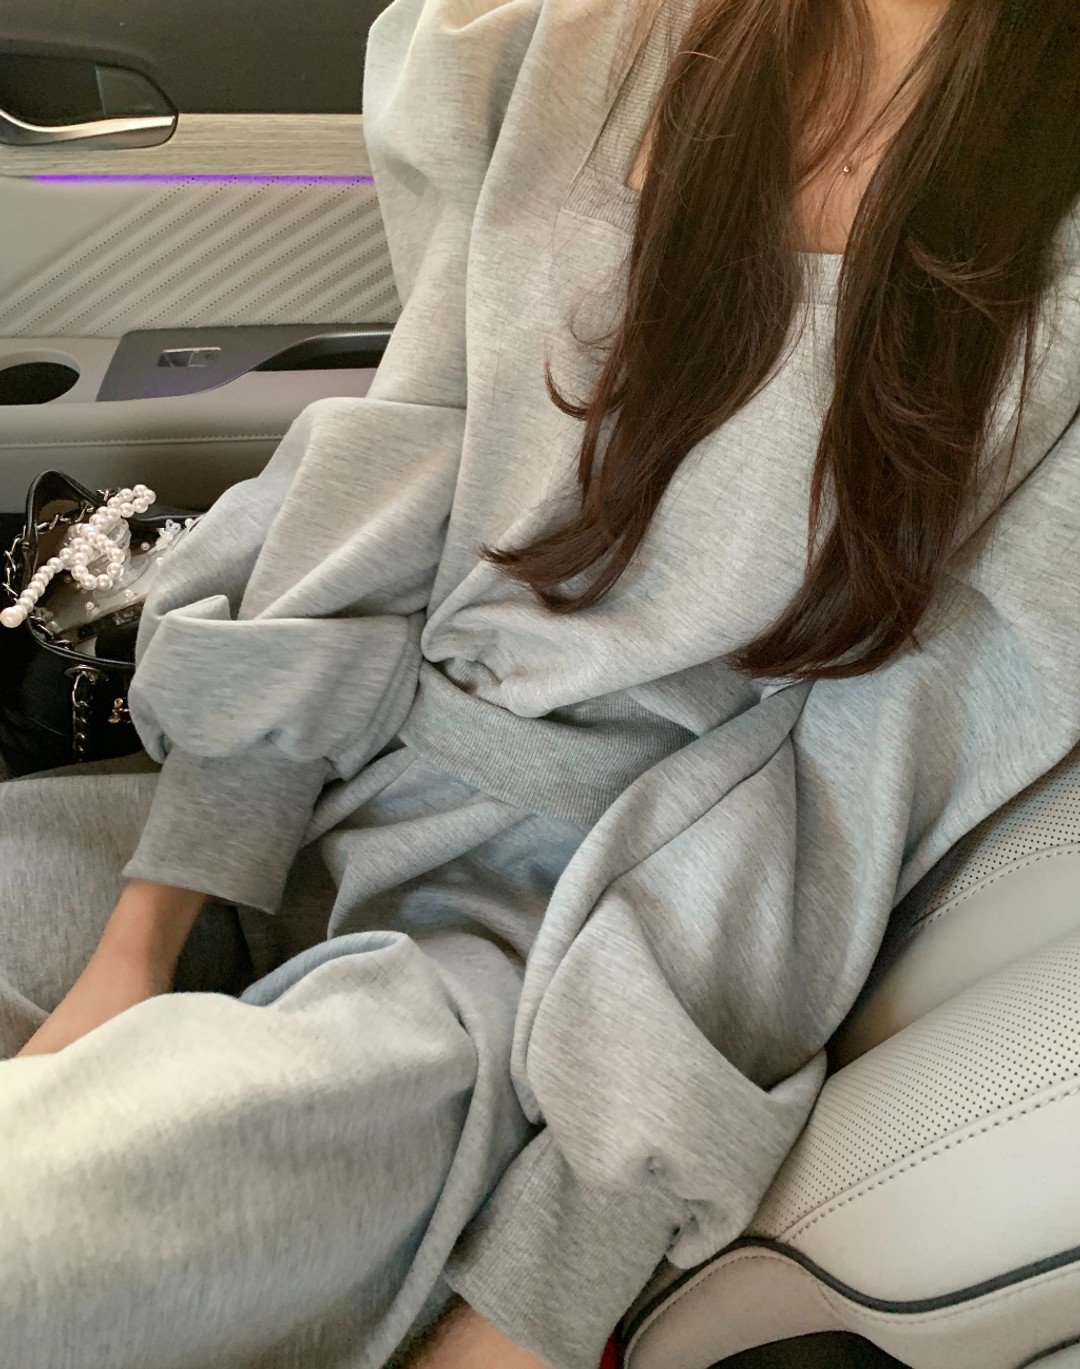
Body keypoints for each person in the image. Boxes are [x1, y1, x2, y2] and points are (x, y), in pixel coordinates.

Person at [2, 0, 1079, 1365]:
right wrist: (142, 940)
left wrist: (536, 1297)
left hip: (547, 953)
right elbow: (389, 474)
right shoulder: (580, 37)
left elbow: (842, 801)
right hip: (312, 788)